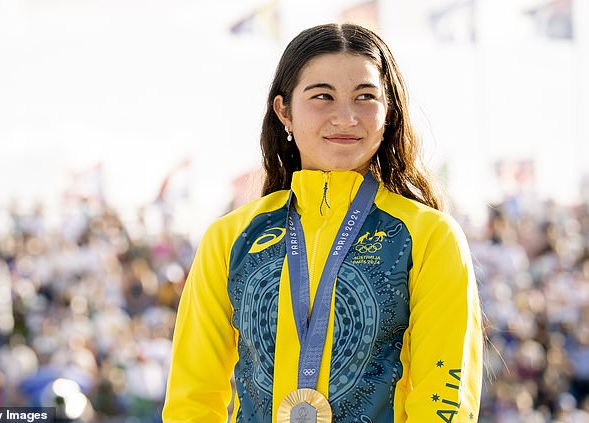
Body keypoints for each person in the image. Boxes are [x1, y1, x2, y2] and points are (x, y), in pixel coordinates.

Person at [162, 23, 483, 423]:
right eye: (322, 97)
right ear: (284, 111)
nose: (346, 117)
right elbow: (192, 399)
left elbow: (444, 399)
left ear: (389, 112)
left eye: (365, 97)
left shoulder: (429, 236)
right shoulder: (230, 238)